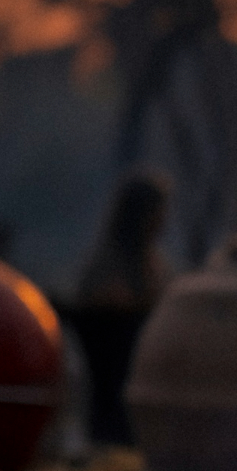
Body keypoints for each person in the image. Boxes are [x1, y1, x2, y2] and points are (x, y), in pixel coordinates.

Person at [71, 172, 171, 444]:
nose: (163, 221)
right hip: (111, 403)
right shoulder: (107, 268)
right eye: (157, 212)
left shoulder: (153, 267)